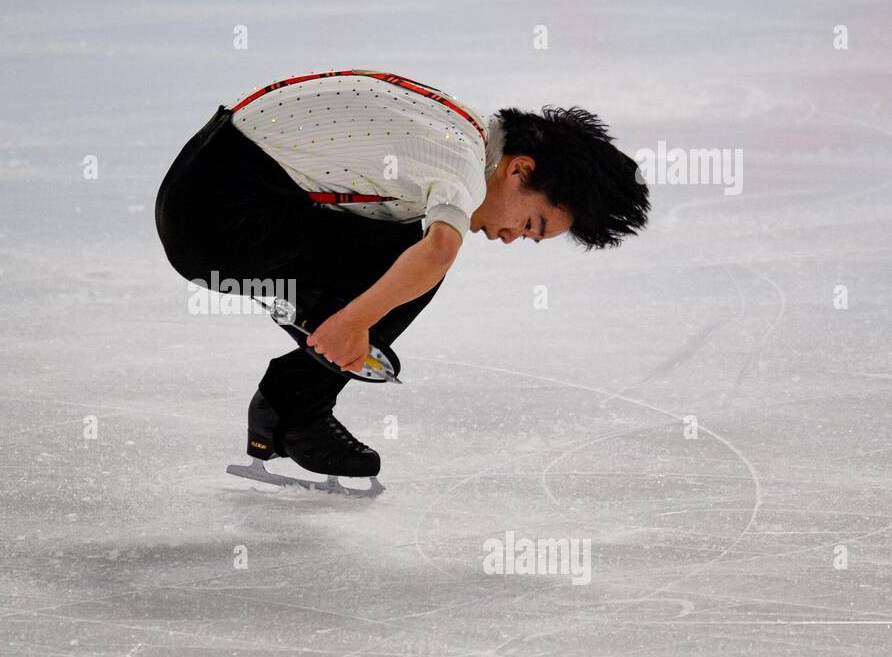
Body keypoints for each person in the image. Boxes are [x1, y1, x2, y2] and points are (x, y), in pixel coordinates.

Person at [155, 70, 649, 484]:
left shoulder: (463, 125)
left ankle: (302, 358)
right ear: (520, 170)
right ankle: (296, 400)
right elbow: (437, 252)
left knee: (403, 244)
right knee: (417, 260)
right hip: (217, 221)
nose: (509, 237)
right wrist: (354, 320)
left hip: (210, 187)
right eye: (529, 224)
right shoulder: (459, 160)